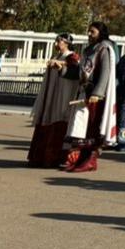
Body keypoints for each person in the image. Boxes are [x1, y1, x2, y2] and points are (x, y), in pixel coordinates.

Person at [63, 22, 118, 173]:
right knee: (83, 128)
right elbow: (81, 72)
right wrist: (63, 69)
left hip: (95, 96)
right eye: (88, 32)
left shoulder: (105, 48)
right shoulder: (88, 50)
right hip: (84, 92)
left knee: (93, 128)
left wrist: (97, 93)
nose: (89, 34)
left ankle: (90, 161)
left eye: (92, 32)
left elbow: (106, 73)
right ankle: (81, 159)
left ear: (100, 33)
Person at [28, 33, 80, 168]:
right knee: (47, 119)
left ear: (66, 43)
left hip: (63, 95)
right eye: (56, 41)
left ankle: (55, 158)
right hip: (51, 94)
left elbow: (75, 71)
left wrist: (61, 64)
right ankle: (40, 157)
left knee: (59, 120)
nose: (56, 44)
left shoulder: (72, 56)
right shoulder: (55, 56)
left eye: (59, 41)